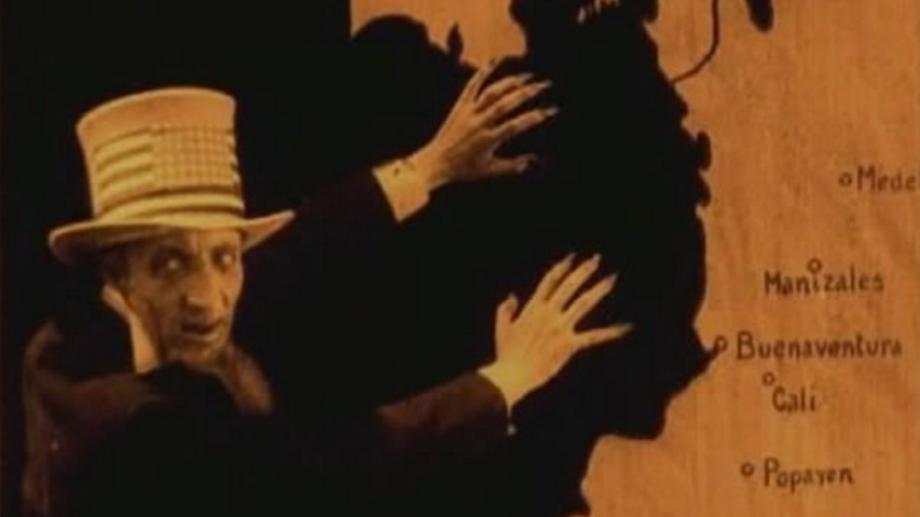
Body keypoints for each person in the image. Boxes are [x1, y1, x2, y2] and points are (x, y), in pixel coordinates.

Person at [22, 81, 629, 516]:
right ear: (118, 275)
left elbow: (293, 250)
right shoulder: (132, 425)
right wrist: (506, 379)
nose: (208, 297)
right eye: (171, 263)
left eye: (224, 257)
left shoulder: (98, 331)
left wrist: (428, 169)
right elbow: (335, 465)